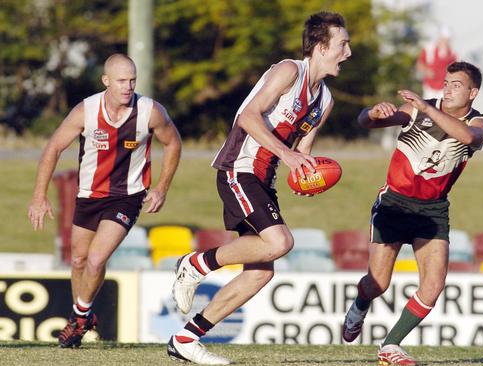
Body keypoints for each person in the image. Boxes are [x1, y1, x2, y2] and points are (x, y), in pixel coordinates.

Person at [167, 11, 351, 365]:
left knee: (261, 271)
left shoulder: (324, 100)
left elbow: (302, 153)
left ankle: (185, 339)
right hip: (239, 168)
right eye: (343, 44)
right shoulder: (288, 71)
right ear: (321, 46)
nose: (348, 52)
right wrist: (287, 154)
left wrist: (306, 176)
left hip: (264, 179)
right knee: (280, 242)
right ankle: (196, 263)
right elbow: (247, 117)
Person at [27, 53, 182, 348]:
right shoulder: (86, 110)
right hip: (88, 195)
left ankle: (80, 316)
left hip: (127, 197)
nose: (128, 86)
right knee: (78, 260)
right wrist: (39, 195)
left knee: (97, 259)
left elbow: (173, 143)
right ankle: (79, 319)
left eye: (133, 80)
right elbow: (53, 147)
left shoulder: (150, 111)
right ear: (106, 81)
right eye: (122, 81)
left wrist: (161, 187)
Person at [342, 61, 483, 366]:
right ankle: (359, 306)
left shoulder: (479, 124)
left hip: (433, 210)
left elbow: (467, 138)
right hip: (394, 204)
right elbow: (365, 122)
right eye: (446, 82)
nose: (447, 89)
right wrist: (372, 114)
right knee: (377, 284)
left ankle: (390, 346)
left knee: (434, 286)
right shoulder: (415, 110)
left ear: (473, 92)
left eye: (456, 85)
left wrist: (426, 107)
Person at [416, 26, 457, 100]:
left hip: (443, 88)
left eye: (447, 40)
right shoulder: (429, 49)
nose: (445, 42)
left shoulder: (452, 53)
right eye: (443, 39)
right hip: (429, 87)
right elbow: (420, 64)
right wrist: (426, 71)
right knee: (427, 107)